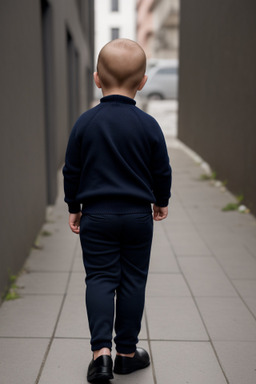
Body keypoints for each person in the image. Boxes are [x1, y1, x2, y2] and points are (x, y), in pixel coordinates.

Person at [63, 38, 172, 383]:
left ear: (97, 78)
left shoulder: (86, 122)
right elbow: (161, 170)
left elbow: (72, 170)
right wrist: (161, 200)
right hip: (138, 217)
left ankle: (101, 356)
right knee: (132, 281)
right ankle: (127, 352)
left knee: (99, 279)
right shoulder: (148, 125)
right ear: (142, 82)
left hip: (97, 215)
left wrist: (74, 206)